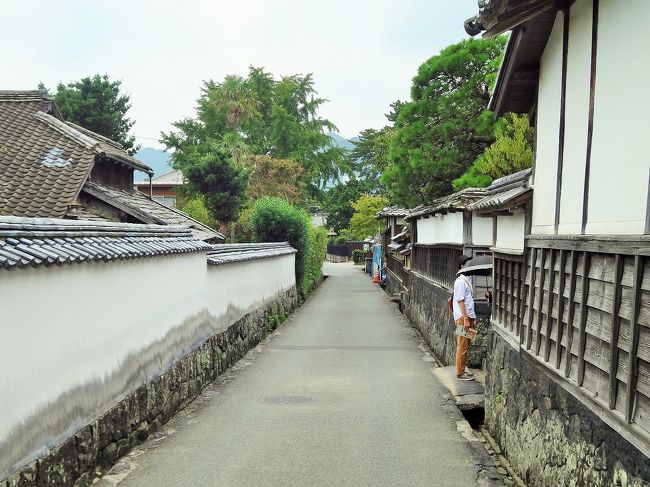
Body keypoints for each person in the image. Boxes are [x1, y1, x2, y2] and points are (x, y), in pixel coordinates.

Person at [453, 255, 476, 381]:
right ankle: (460, 372)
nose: (470, 265)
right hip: (463, 318)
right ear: (462, 265)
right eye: (468, 263)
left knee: (467, 345)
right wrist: (466, 318)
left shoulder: (468, 279)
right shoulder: (461, 281)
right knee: (462, 345)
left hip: (469, 316)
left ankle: (463, 368)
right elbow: (460, 300)